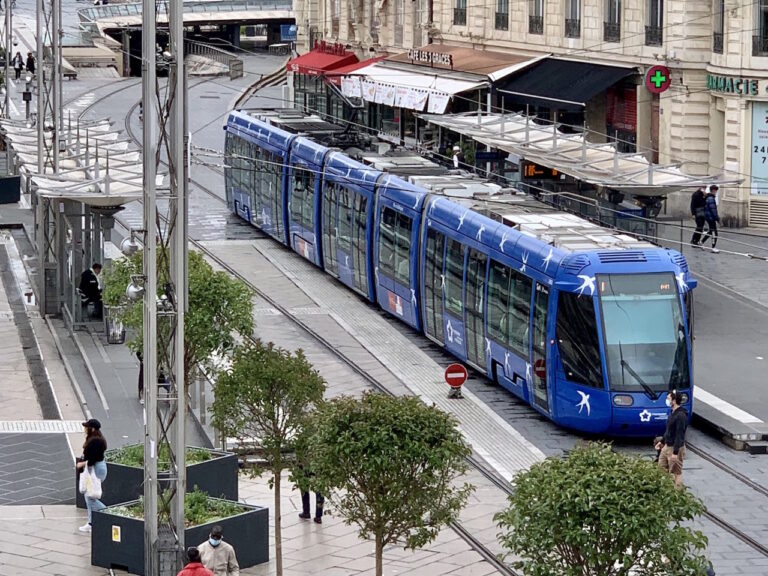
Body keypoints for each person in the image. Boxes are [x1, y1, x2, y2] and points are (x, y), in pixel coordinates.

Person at [76, 419, 108, 532]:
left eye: (87, 427)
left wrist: (81, 463)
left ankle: (106, 512)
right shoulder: (95, 439)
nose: (85, 429)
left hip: (96, 469)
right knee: (88, 496)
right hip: (95, 468)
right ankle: (91, 523)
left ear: (92, 429)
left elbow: (93, 458)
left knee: (91, 497)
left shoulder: (95, 441)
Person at [655, 390, 688, 488]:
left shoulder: (680, 416)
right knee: (661, 467)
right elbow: (669, 430)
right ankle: (664, 488)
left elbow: (679, 434)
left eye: (668, 398)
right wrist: (662, 442)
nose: (667, 400)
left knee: (676, 472)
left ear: (674, 400)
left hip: (675, 447)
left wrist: (675, 452)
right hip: (667, 446)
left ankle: (677, 491)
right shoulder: (672, 413)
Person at [701, 185, 720, 253]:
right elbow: (713, 210)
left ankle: (702, 241)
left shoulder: (708, 197)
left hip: (708, 217)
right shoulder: (711, 198)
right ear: (713, 191)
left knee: (710, 231)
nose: (716, 192)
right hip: (711, 218)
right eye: (716, 191)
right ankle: (713, 247)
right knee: (715, 233)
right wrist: (717, 218)